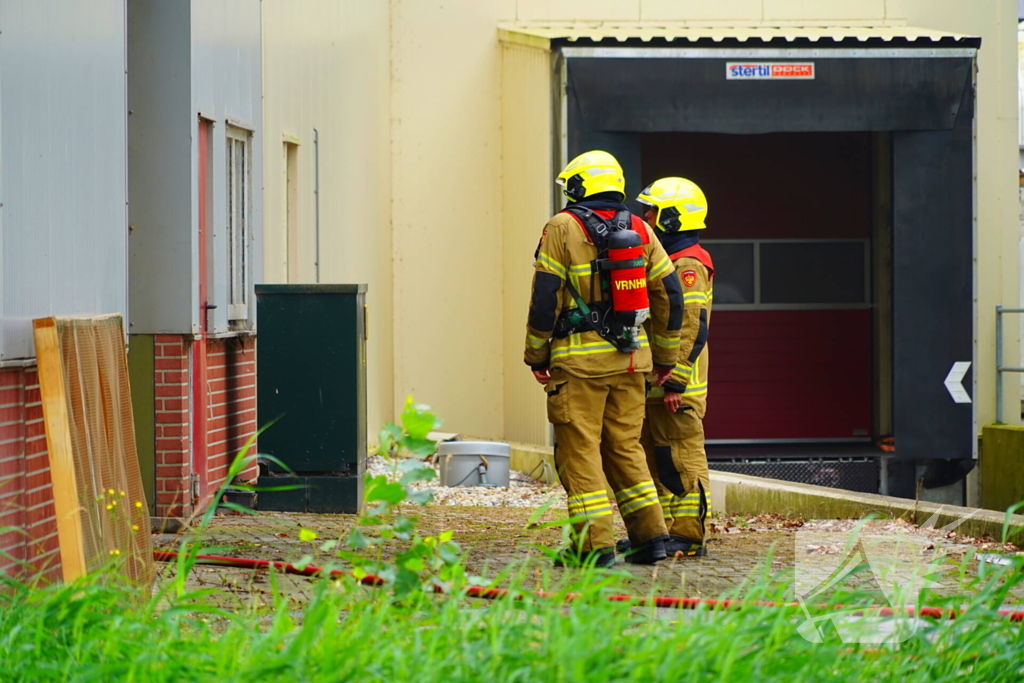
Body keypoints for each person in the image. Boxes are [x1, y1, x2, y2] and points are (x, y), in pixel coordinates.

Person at [523, 151, 685, 567]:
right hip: (633, 362)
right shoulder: (641, 230)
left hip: (578, 367)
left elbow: (545, 297)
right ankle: (651, 540)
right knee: (626, 448)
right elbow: (671, 296)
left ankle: (593, 547)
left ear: (579, 187)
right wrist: (665, 359)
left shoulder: (562, 227)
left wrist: (536, 353)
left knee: (580, 453)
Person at [630, 177, 715, 558]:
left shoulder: (688, 264)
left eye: (653, 211)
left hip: (677, 388)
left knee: (680, 456)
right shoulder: (669, 259)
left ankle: (690, 535)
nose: (646, 217)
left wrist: (676, 379)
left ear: (674, 218)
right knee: (657, 458)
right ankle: (665, 533)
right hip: (657, 382)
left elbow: (692, 325)